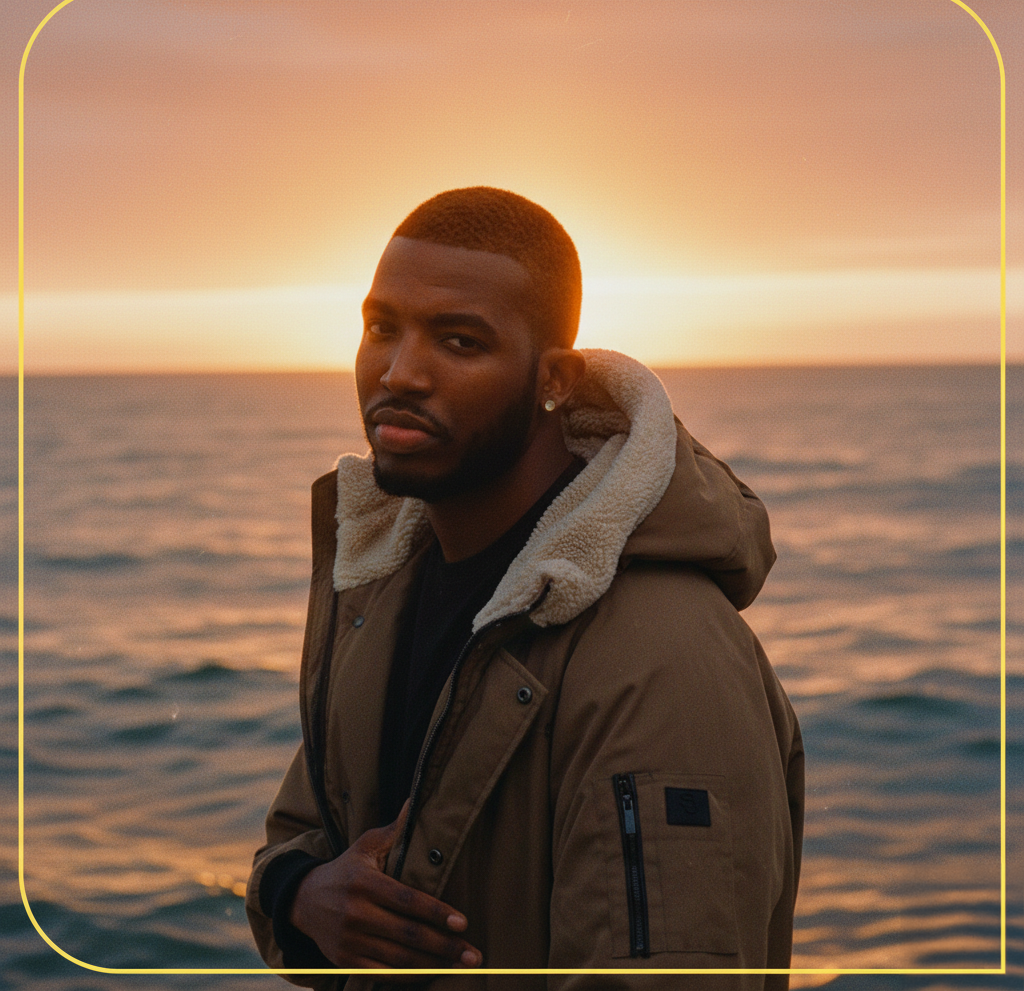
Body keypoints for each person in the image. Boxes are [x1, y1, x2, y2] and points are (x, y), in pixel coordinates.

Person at [246, 187, 804, 991]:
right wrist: (302, 895)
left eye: (460, 341)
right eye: (382, 328)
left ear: (554, 380)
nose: (399, 373)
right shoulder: (381, 592)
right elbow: (300, 835)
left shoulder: (666, 657)